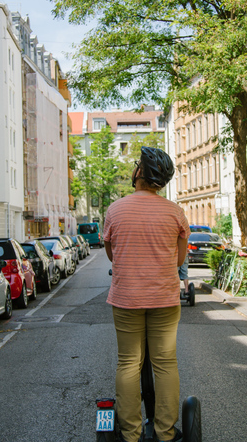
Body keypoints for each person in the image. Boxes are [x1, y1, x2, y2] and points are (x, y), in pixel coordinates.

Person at [103, 146, 190, 442]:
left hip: (126, 298)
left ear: (140, 173)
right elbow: (178, 261)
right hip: (164, 299)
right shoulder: (175, 212)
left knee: (128, 362)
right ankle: (165, 434)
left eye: (138, 164)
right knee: (165, 363)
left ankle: (131, 434)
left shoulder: (115, 210)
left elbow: (113, 255)